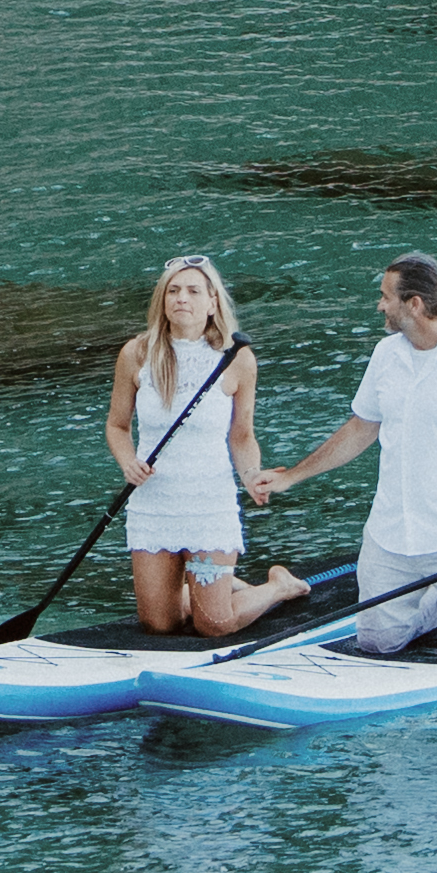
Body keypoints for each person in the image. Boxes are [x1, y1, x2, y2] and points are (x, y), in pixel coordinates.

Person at [256, 253, 437, 662]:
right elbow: (360, 428)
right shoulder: (386, 355)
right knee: (378, 643)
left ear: (413, 304)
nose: (379, 305)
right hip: (390, 536)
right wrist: (291, 476)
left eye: (385, 297)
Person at [102, 257, 296, 642]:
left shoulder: (237, 359)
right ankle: (214, 582)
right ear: (162, 301)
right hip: (154, 504)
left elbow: (241, 435)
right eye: (173, 291)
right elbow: (117, 425)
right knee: (160, 625)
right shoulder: (136, 354)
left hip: (209, 504)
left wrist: (251, 476)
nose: (181, 299)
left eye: (193, 291)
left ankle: (278, 587)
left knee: (214, 625)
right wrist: (127, 461)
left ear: (212, 303)